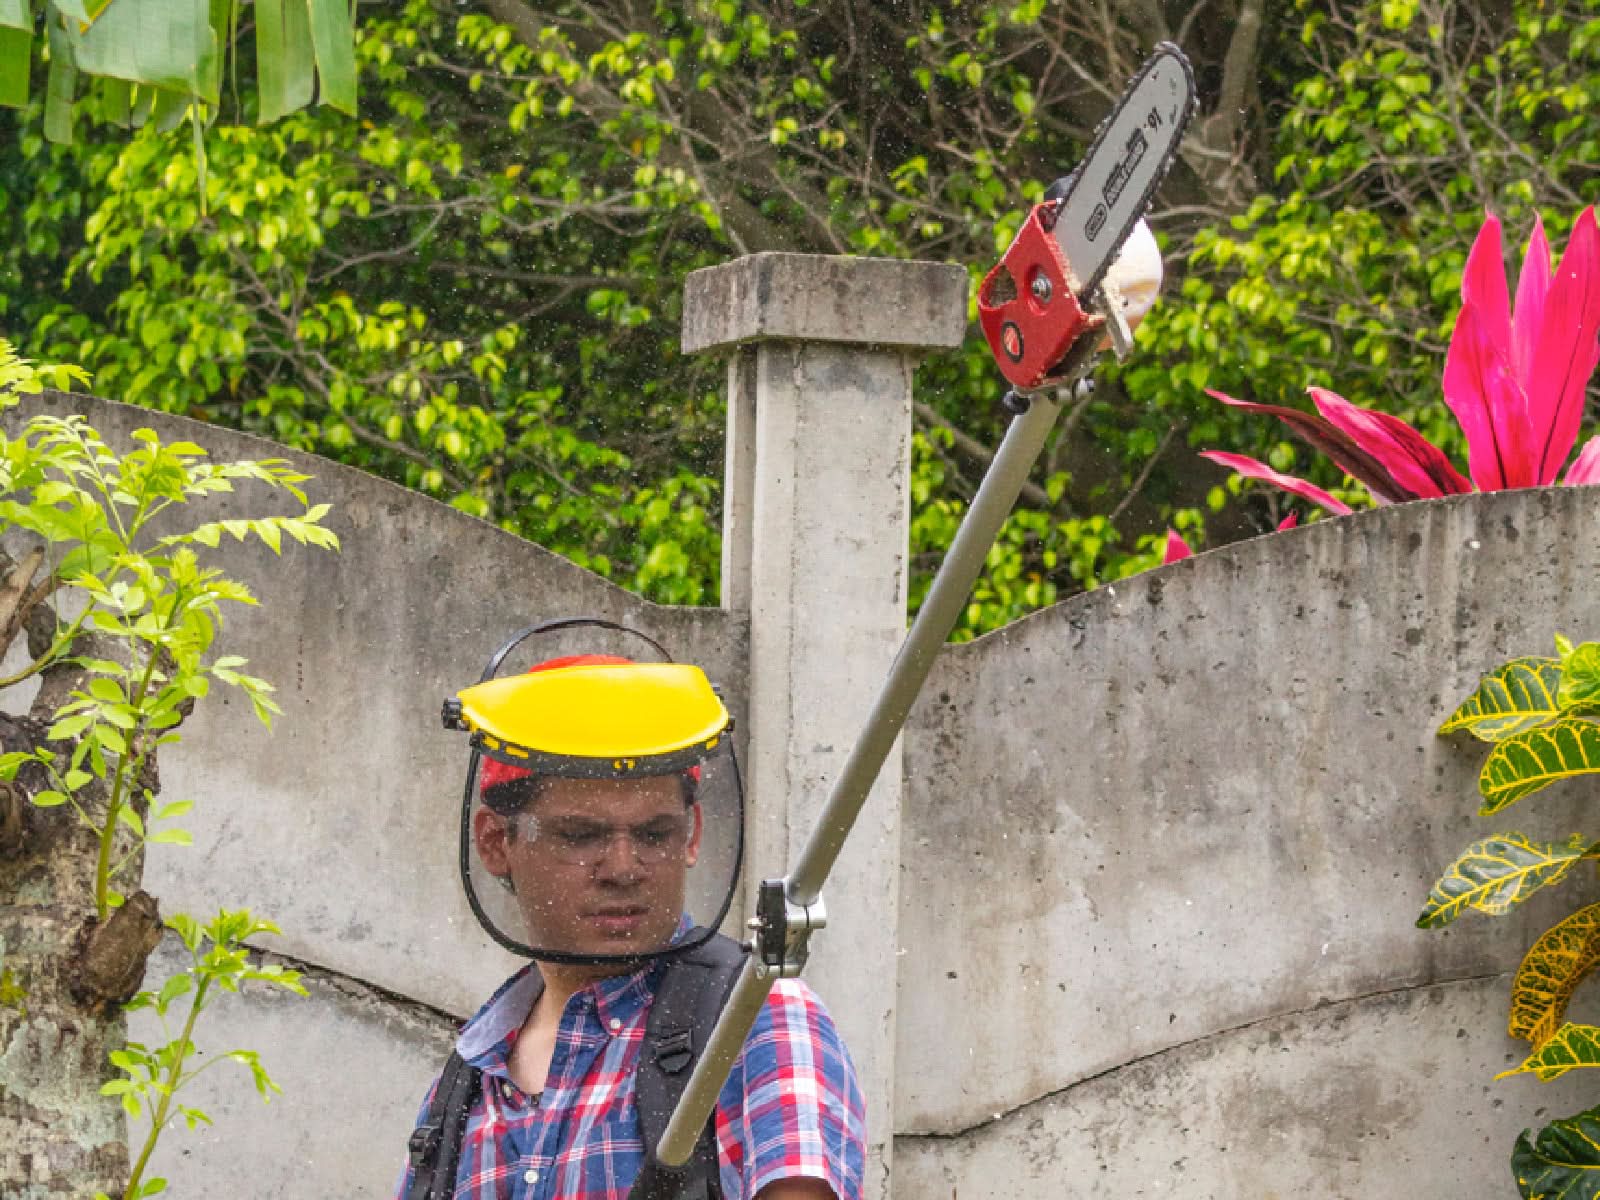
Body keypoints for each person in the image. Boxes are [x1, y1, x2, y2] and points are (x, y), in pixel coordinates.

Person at [397, 644, 866, 1200]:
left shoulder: (750, 1021)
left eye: (653, 835)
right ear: (497, 842)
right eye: (580, 836)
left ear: (690, 834)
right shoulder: (469, 1077)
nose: (623, 869)